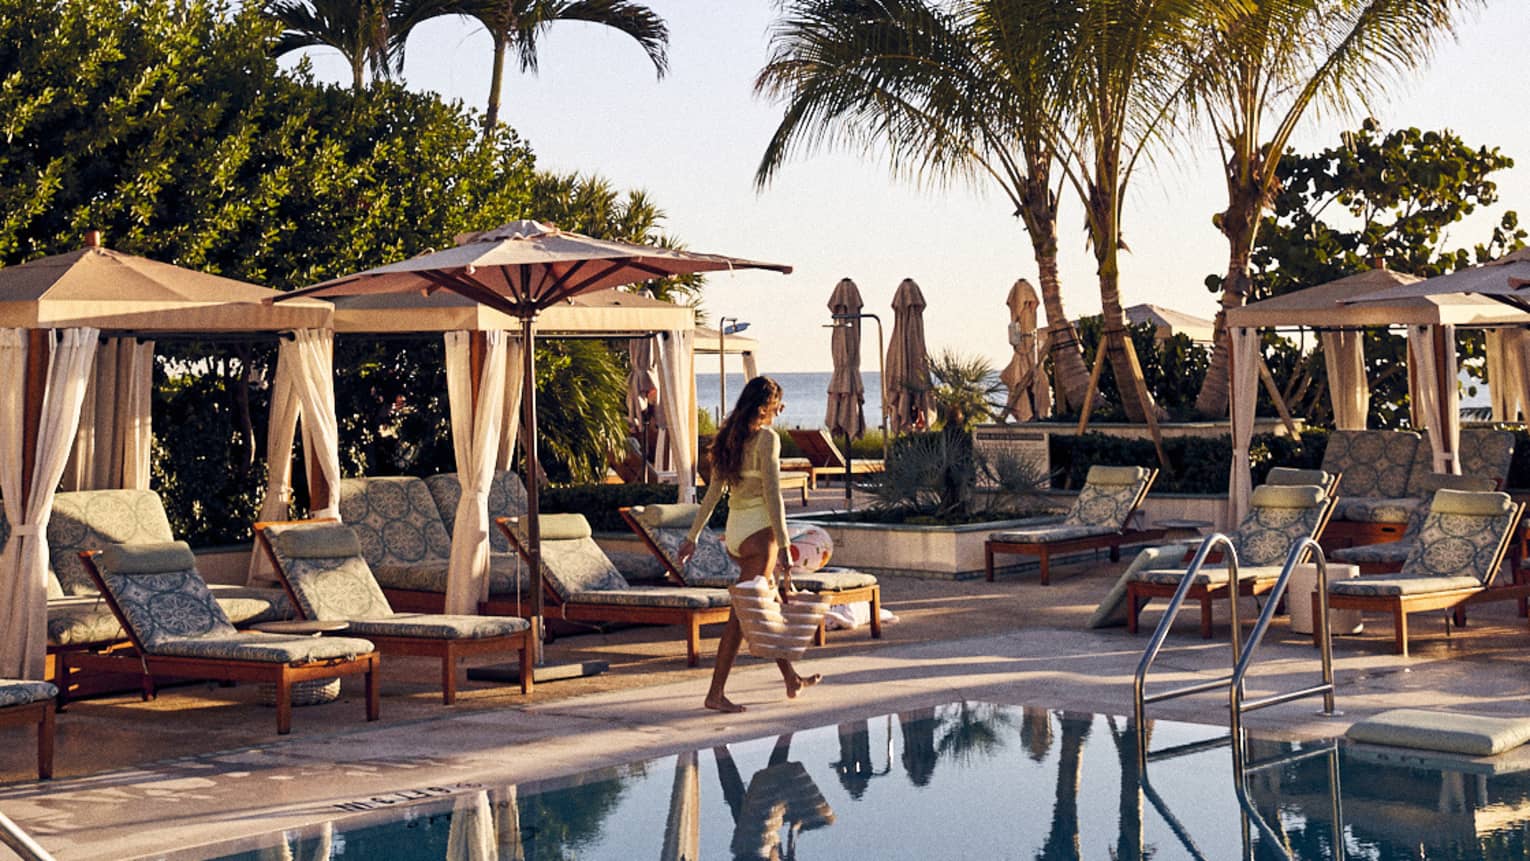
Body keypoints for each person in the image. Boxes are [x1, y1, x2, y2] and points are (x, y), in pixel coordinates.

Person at [678, 375, 821, 713]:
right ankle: (715, 694)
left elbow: (713, 493)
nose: (779, 411)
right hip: (759, 535)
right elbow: (773, 494)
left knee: (763, 608)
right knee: (742, 616)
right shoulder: (767, 439)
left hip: (737, 533)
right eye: (777, 405)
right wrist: (785, 544)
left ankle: (791, 679)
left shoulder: (729, 438)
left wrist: (692, 536)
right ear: (763, 407)